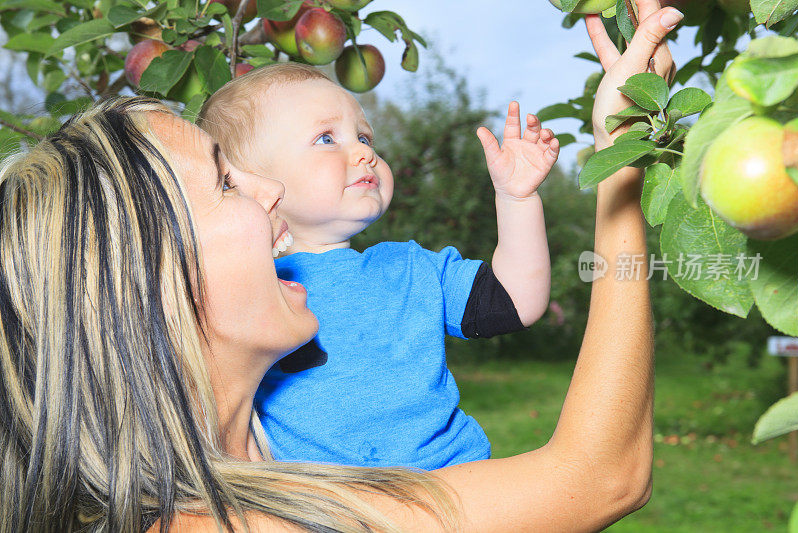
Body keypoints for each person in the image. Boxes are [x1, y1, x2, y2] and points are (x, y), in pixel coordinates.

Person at [0, 1, 682, 530]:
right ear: (146, 279)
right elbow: (602, 475)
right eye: (227, 182)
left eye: (362, 135)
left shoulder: (245, 473)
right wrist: (619, 161)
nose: (269, 195)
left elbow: (512, 297)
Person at [198, 61, 558, 469]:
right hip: (330, 508)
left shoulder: (409, 268)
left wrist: (516, 200)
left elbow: (515, 301)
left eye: (364, 136)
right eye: (326, 138)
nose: (365, 152)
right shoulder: (241, 291)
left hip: (453, 486)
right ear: (249, 181)